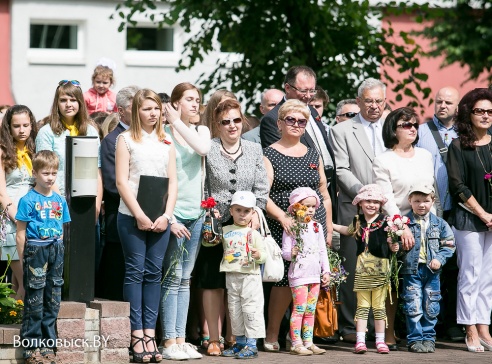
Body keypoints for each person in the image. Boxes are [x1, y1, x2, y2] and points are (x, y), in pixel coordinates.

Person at [194, 98, 269, 356]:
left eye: (236, 120)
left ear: (243, 121)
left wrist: (257, 212)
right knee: (212, 281)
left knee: (242, 283)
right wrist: (208, 208)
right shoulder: (209, 149)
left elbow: (261, 187)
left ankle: (236, 337)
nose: (232, 126)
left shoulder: (254, 149)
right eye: (225, 122)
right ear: (217, 124)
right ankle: (213, 338)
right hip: (216, 224)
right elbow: (202, 184)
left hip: (245, 224)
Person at [263, 99, 333, 351]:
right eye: (290, 120)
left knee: (311, 282)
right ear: (280, 123)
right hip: (284, 226)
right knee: (284, 282)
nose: (295, 124)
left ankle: (303, 339)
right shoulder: (269, 153)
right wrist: (283, 217)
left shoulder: (313, 153)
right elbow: (263, 194)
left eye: (301, 121)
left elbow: (323, 192)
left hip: (314, 226)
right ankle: (272, 335)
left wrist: (329, 226)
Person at [115, 88, 177, 363]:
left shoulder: (167, 141)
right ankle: (136, 334)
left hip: (161, 217)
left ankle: (150, 334)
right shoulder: (125, 139)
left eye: (156, 109)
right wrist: (139, 214)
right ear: (136, 111)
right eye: (147, 109)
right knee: (135, 272)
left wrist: (167, 215)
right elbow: (121, 182)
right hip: (131, 217)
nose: (153, 113)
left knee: (154, 273)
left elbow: (173, 182)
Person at [329, 78, 389, 344]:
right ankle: (350, 325)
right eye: (369, 101)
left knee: (385, 268)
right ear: (359, 101)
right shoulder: (342, 130)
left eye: (379, 101)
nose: (374, 106)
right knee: (353, 269)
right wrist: (364, 196)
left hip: (389, 208)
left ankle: (384, 329)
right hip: (353, 207)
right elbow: (341, 169)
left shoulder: (392, 126)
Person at [373, 106, 435, 348]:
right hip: (396, 226)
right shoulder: (383, 159)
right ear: (393, 129)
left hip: (426, 224)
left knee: (426, 281)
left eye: (414, 125)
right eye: (406, 125)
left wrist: (434, 227)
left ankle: (423, 333)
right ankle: (388, 332)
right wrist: (402, 227)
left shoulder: (425, 156)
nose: (412, 129)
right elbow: (386, 198)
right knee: (394, 283)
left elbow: (432, 194)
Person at [158, 82, 210, 360]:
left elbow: (203, 149)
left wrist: (178, 122)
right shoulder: (163, 134)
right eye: (189, 99)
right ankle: (168, 342)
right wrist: (170, 217)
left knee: (185, 279)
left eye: (197, 99)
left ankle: (180, 339)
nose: (195, 104)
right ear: (175, 103)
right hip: (173, 215)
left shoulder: (201, 130)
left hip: (197, 215)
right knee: (171, 277)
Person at [446, 88, 492, 353]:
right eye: (480, 111)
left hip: (491, 220)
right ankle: (469, 327)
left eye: (489, 111)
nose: (485, 115)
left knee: (488, 276)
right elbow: (457, 185)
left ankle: (484, 325)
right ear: (469, 114)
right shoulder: (458, 145)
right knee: (470, 274)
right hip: (468, 218)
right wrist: (483, 213)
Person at [416, 86, 463, 341]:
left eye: (448, 102)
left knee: (454, 266)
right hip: (429, 211)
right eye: (438, 101)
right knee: (427, 267)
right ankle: (426, 322)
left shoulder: (464, 133)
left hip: (457, 209)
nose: (442, 105)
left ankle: (453, 323)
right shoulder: (421, 132)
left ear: (457, 106)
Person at [15, 150, 71, 364]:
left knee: (53, 299)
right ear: (35, 172)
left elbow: (62, 229)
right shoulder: (28, 200)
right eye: (45, 173)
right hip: (35, 250)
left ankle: (49, 347)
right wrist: (23, 259)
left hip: (55, 248)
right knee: (35, 300)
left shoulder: (59, 200)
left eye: (54, 173)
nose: (50, 177)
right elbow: (20, 233)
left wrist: (60, 250)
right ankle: (30, 349)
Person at [260, 67, 336, 208]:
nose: (308, 96)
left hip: (326, 189)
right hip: (298, 200)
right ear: (287, 88)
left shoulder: (312, 111)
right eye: (303, 91)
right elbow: (281, 163)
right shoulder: (272, 118)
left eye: (312, 90)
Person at [334, 184, 397, 355]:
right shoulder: (357, 221)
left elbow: (391, 242)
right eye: (368, 201)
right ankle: (360, 340)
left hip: (380, 269)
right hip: (362, 269)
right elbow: (347, 231)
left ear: (381, 205)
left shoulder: (385, 221)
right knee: (362, 306)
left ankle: (380, 341)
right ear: (360, 203)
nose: (372, 205)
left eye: (376, 202)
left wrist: (394, 244)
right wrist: (331, 225)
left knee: (378, 307)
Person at [400, 182, 455, 353]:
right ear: (410, 201)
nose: (421, 205)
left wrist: (439, 258)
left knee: (431, 304)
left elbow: (449, 244)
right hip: (412, 270)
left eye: (425, 201)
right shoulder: (404, 223)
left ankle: (429, 338)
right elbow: (396, 246)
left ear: (432, 201)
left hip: (432, 272)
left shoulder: (440, 223)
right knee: (413, 304)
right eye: (417, 201)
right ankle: (415, 339)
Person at [99, 85, 140, 301]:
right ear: (121, 111)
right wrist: (141, 203)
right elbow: (113, 185)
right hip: (122, 219)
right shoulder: (111, 141)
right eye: (134, 108)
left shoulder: (151, 139)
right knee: (118, 284)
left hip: (150, 218)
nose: (140, 113)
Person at [282, 187, 330, 356]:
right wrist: (291, 254)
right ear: (296, 207)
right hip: (299, 275)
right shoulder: (292, 226)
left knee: (310, 310)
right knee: (299, 309)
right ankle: (296, 342)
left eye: (313, 206)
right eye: (306, 206)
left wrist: (326, 272)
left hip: (314, 275)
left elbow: (322, 250)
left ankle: (308, 342)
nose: (310, 209)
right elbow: (285, 252)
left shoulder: (317, 226)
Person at [35, 80, 102, 199]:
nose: (68, 104)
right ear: (57, 103)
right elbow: (44, 170)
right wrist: (62, 203)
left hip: (86, 197)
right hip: (55, 198)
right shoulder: (46, 132)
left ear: (80, 103)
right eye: (63, 100)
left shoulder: (90, 131)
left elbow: (96, 170)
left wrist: (96, 205)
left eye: (73, 100)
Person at [219, 191, 266, 359]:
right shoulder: (224, 230)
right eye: (238, 210)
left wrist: (258, 255)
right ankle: (239, 342)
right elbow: (210, 243)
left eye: (246, 211)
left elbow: (264, 255)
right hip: (231, 276)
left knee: (251, 309)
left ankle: (252, 345)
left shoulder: (254, 233)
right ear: (231, 211)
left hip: (250, 277)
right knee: (234, 310)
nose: (242, 214)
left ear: (253, 213)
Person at [0, 105, 37, 300]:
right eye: (16, 126)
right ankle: (23, 326)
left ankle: (13, 321)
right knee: (26, 279)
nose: (21, 130)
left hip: (33, 215)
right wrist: (19, 218)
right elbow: (1, 193)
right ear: (8, 127)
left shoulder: (34, 150)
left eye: (25, 125)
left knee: (18, 281)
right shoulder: (2, 151)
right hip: (11, 217)